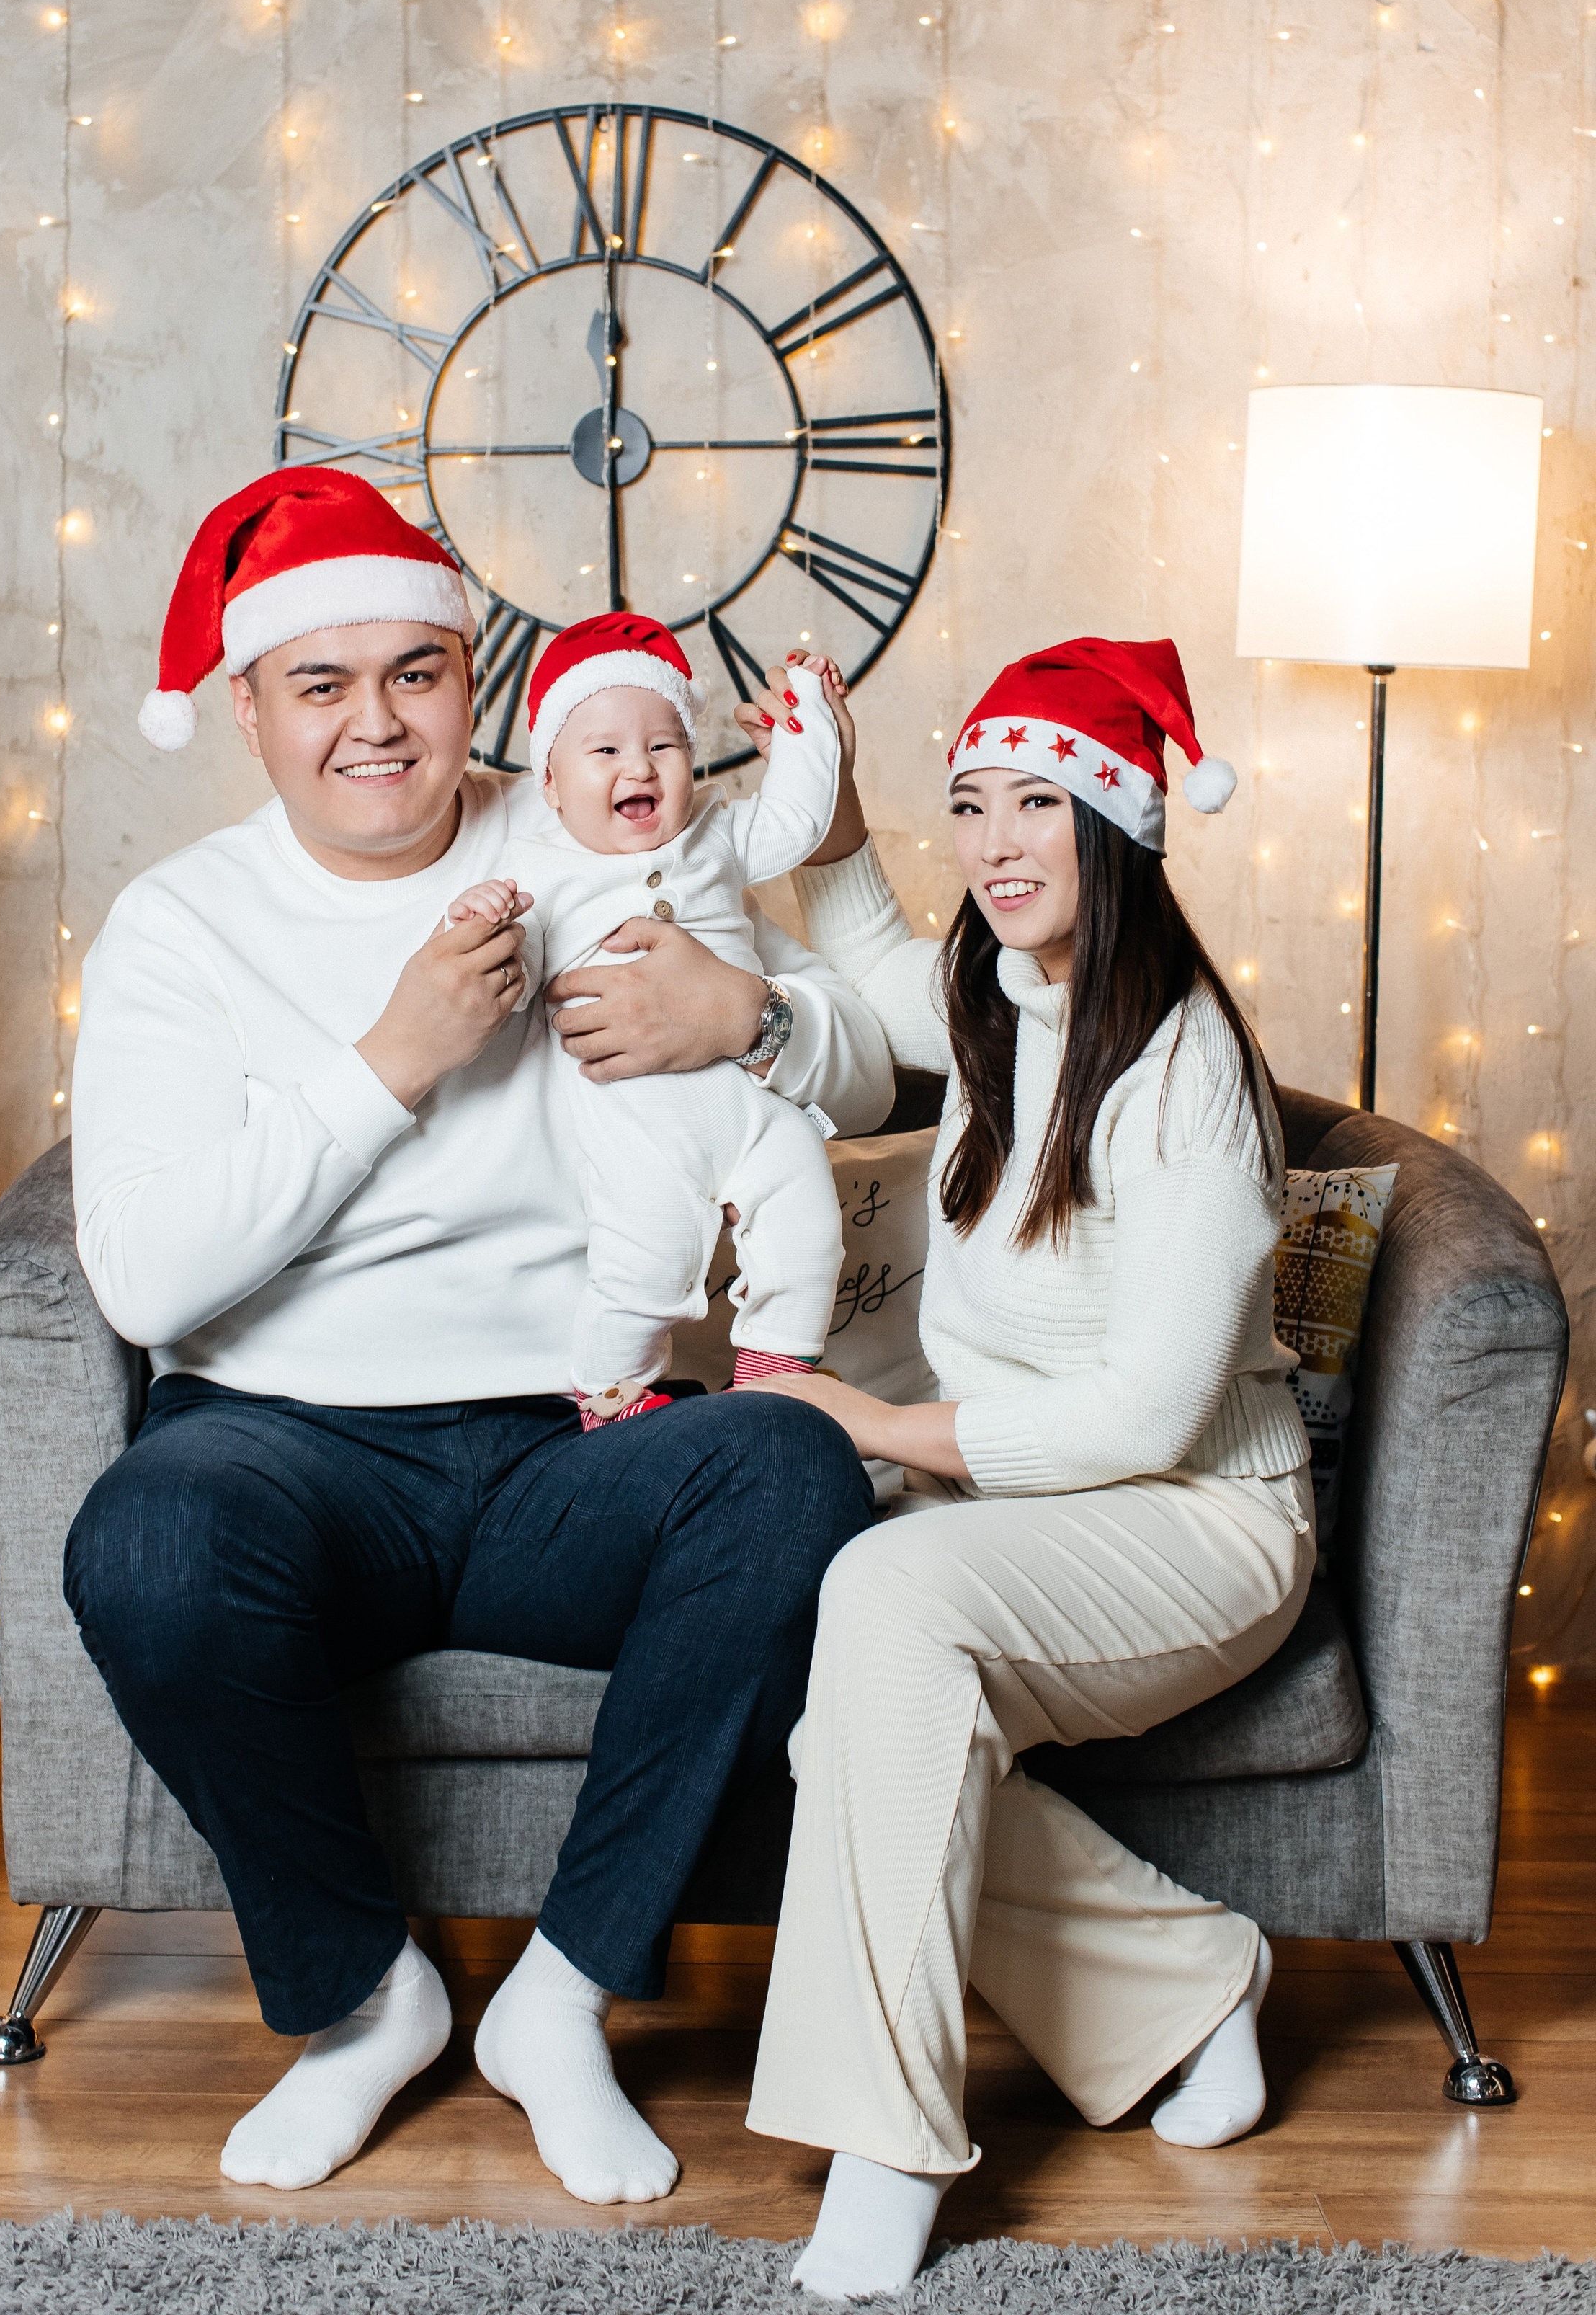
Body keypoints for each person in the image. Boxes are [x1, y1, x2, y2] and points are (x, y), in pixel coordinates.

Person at [61, 467, 888, 2202]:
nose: (375, 723)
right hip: (283, 1445)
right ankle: (366, 2003)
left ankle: (563, 1997)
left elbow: (883, 1071)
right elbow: (143, 1280)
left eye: (414, 676)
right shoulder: (181, 925)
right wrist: (391, 1061)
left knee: (790, 1456)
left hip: (562, 1437)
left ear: (469, 682)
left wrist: (748, 1014)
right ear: (250, 710)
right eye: (320, 683)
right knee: (143, 1535)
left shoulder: (586, 814)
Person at [736, 634, 1316, 2300]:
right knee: (840, 1711)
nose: (993, 844)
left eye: (1035, 807)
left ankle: (887, 2145)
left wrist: (882, 1430)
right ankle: (1188, 1984)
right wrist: (836, 815)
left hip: (1198, 1522)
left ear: (1116, 828)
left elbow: (1145, 1417)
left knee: (886, 1598)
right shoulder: (1004, 994)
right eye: (969, 804)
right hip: (1029, 1514)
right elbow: (866, 944)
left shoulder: (1183, 1067)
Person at [444, 608, 848, 1423]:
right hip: (638, 1121)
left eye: (664, 746)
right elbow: (510, 980)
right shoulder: (539, 871)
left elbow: (798, 820)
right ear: (550, 786)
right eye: (605, 751)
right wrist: (484, 920)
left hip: (752, 1102)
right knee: (646, 1265)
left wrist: (808, 719)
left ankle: (778, 1370)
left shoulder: (716, 835)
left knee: (809, 1211)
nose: (641, 766)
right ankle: (607, 1395)